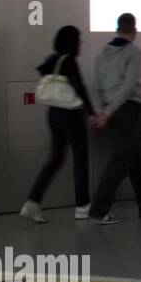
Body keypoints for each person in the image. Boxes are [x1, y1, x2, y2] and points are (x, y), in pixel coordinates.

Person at [20, 25, 98, 223]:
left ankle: (32, 202)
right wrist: (91, 113)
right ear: (71, 41)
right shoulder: (69, 60)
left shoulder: (50, 59)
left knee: (55, 159)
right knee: (80, 160)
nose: (81, 43)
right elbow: (79, 87)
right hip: (71, 115)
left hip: (53, 114)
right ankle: (82, 207)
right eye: (79, 39)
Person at [88, 13, 141, 224]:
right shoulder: (134, 52)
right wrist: (107, 113)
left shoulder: (100, 56)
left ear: (117, 28)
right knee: (120, 160)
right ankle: (98, 210)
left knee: (133, 159)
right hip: (128, 110)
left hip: (111, 109)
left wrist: (102, 112)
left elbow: (95, 88)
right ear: (134, 30)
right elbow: (129, 86)